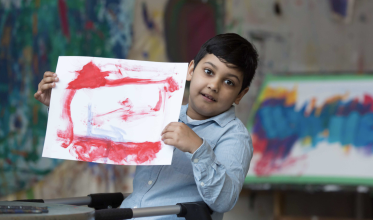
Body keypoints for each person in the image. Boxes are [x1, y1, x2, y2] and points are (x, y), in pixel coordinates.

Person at [34, 33, 258, 220]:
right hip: (129, 213)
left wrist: (197, 149)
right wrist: (60, 104)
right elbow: (103, 129)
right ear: (191, 70)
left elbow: (224, 201)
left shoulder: (235, 137)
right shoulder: (162, 111)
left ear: (240, 95)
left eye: (229, 82)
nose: (214, 85)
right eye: (208, 72)